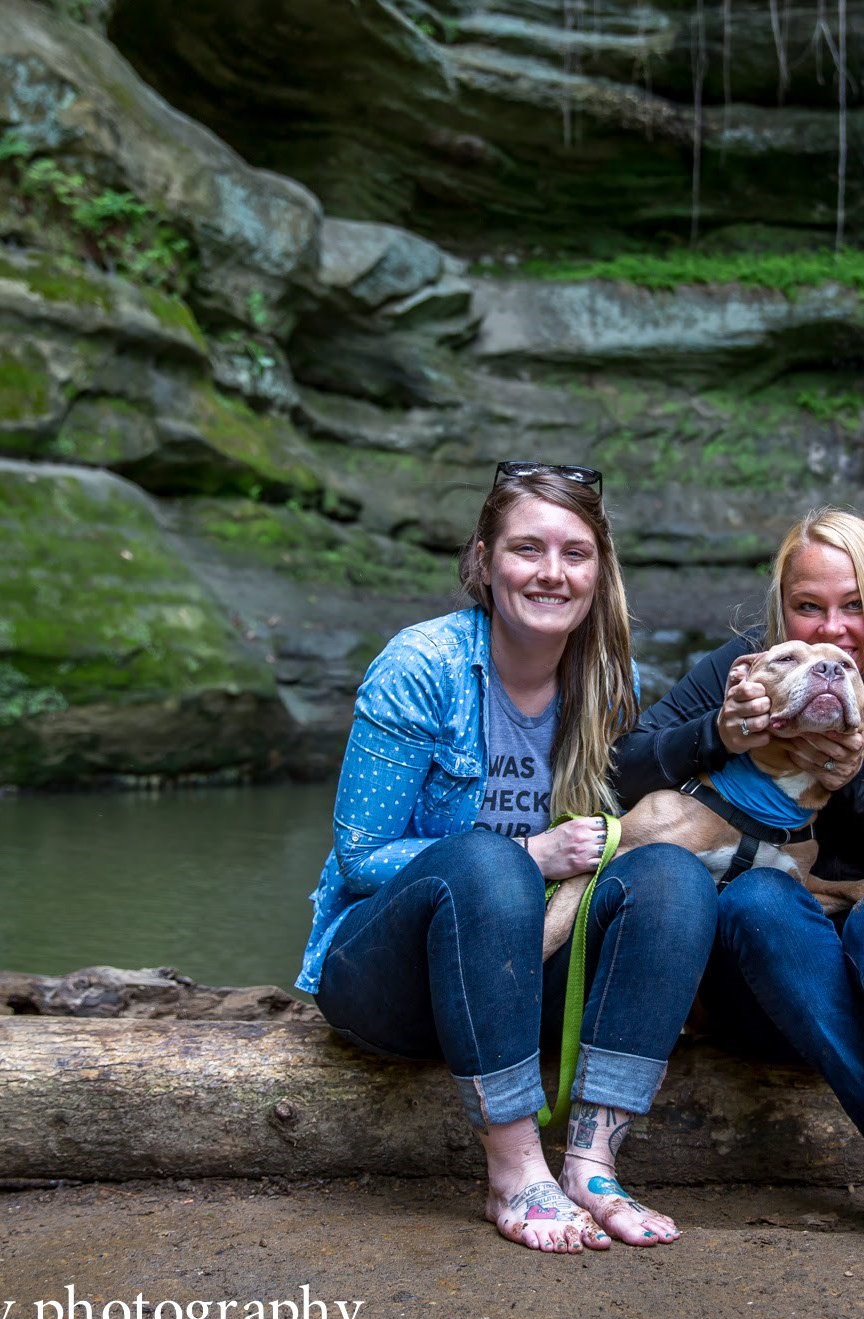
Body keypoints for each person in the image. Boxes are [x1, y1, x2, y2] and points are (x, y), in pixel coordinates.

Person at [296, 461, 717, 1254]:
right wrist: (529, 851)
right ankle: (516, 1170)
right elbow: (362, 858)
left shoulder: (605, 679)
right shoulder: (421, 666)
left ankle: (592, 1161)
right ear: (485, 562)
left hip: (522, 979)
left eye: (575, 552)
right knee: (490, 864)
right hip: (388, 977)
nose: (552, 573)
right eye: (528, 549)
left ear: (600, 570)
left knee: (672, 876)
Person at [613, 507, 864, 1315]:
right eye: (809, 606)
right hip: (763, 985)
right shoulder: (750, 665)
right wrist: (719, 733)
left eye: (854, 604)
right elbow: (625, 769)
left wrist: (858, 779)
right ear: (781, 610)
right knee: (760, 898)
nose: (833, 629)